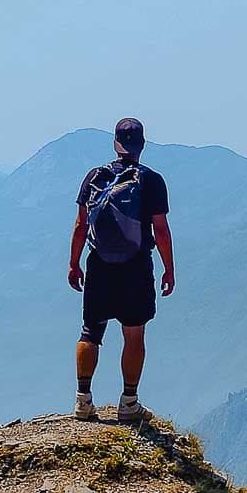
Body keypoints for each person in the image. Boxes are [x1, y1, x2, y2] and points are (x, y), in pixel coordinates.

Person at [68, 117, 174, 421]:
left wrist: (74, 263)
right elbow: (161, 231)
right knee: (134, 335)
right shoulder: (151, 181)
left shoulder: (95, 177)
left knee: (90, 332)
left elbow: (80, 226)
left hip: (99, 265)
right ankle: (129, 402)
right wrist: (169, 269)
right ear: (141, 145)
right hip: (136, 268)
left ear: (116, 144)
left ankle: (82, 400)